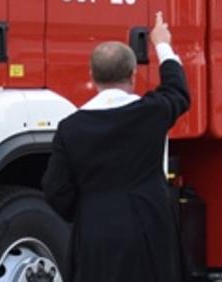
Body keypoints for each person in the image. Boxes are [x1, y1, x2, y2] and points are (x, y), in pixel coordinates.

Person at [43, 14, 190, 282]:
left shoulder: (70, 128)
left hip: (95, 231)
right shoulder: (151, 112)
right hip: (150, 225)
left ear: (92, 76)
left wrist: (89, 209)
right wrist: (162, 44)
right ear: (133, 75)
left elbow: (55, 189)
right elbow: (178, 90)